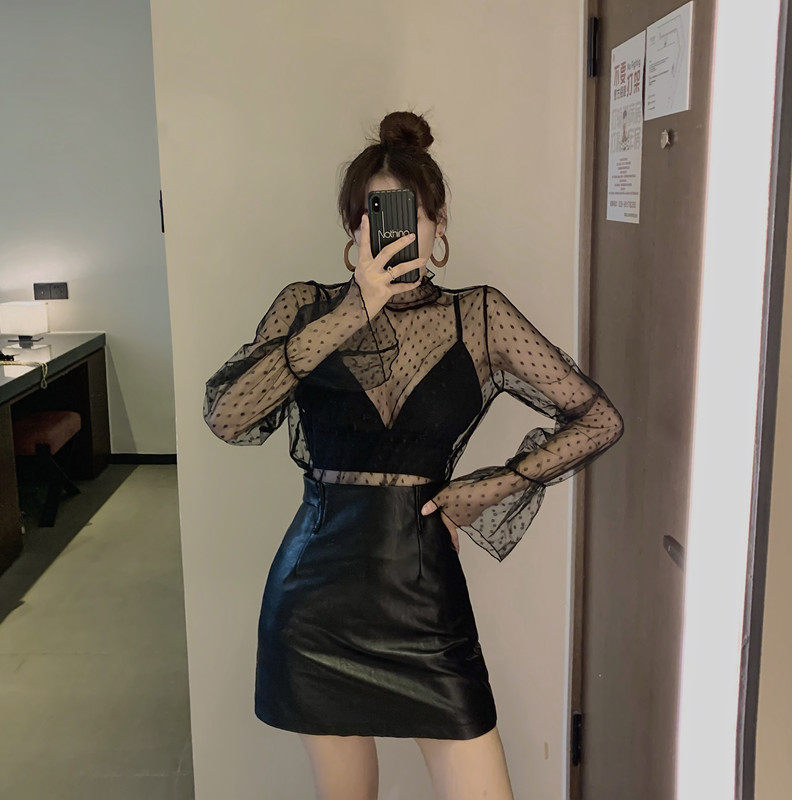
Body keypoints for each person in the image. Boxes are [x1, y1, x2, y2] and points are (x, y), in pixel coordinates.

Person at [203, 110, 625, 800]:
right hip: (315, 603)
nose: (396, 233)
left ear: (438, 222)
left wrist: (484, 490)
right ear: (354, 229)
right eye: (375, 216)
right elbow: (228, 416)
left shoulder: (478, 316)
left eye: (412, 215)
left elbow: (598, 418)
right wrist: (355, 310)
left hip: (426, 598)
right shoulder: (307, 307)